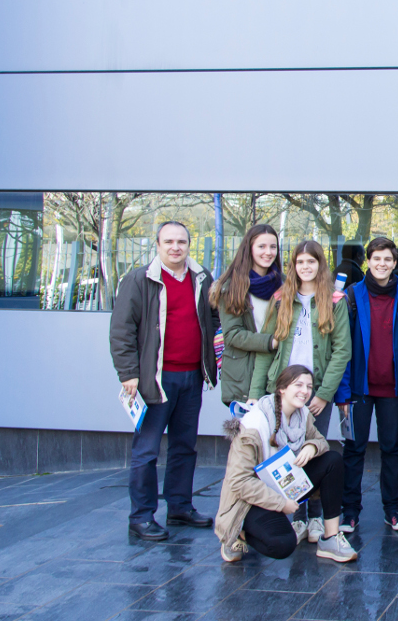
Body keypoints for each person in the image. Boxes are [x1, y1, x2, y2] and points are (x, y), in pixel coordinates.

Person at [110, 221, 218, 541]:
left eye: (181, 241)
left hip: (191, 378)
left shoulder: (201, 279)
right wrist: (128, 373)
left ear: (189, 244)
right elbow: (122, 329)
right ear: (157, 245)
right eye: (168, 241)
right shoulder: (139, 280)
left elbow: (213, 320)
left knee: (185, 447)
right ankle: (141, 516)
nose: (175, 247)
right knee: (147, 450)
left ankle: (179, 506)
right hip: (153, 380)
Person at [251, 240, 352, 543]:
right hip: (282, 392)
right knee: (287, 454)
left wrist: (323, 394)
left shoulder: (335, 301)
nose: (306, 267)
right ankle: (298, 515)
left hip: (316, 392)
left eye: (312, 261)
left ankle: (318, 518)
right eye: (300, 262)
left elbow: (341, 351)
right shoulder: (280, 300)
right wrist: (258, 393)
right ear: (292, 266)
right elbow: (267, 349)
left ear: (321, 265)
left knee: (315, 453)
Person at [216, 364, 357, 564]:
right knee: (283, 545)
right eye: (298, 385)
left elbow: (321, 442)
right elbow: (239, 482)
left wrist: (311, 447)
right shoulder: (253, 425)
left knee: (332, 460)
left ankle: (331, 539)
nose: (305, 391)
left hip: (283, 483)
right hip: (250, 501)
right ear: (281, 388)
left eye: (309, 386)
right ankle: (238, 533)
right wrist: (281, 503)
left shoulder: (302, 416)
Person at [336, 237, 398, 534]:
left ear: (395, 263)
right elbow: (341, 348)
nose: (381, 264)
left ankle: (393, 510)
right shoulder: (352, 296)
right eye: (376, 258)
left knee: (392, 449)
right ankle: (350, 511)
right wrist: (342, 392)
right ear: (367, 260)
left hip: (393, 389)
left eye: (387, 259)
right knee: (354, 449)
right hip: (358, 389)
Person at [210, 224, 283, 406]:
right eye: (261, 246)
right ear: (249, 249)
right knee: (249, 433)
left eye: (273, 247)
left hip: (276, 370)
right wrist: (271, 342)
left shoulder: (285, 284)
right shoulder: (232, 287)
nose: (268, 252)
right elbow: (232, 334)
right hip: (244, 375)